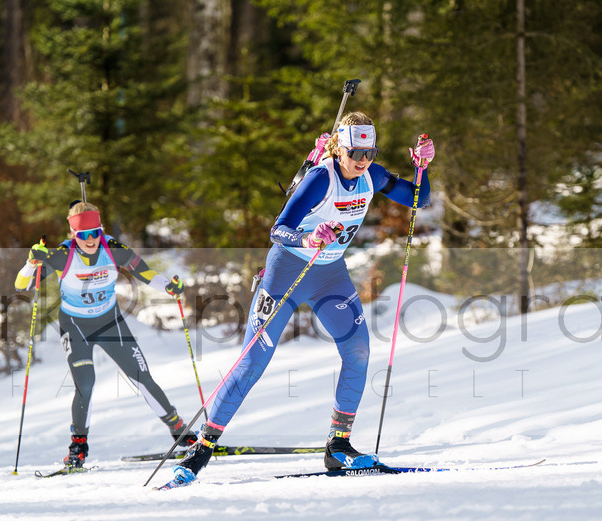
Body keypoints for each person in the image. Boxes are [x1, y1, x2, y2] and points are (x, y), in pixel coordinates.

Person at [157, 112, 434, 489]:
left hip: (330, 273)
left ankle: (338, 446)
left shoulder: (373, 175)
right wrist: (309, 238)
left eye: (370, 151)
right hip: (287, 272)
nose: (363, 160)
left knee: (358, 350)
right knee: (254, 360)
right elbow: (279, 229)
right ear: (339, 148)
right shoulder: (322, 178)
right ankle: (201, 449)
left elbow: (420, 197)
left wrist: (422, 167)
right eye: (355, 151)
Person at [15, 201, 194, 468]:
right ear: (74, 236)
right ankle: (78, 447)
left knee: (142, 377)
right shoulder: (62, 256)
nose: (90, 240)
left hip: (110, 322)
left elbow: (144, 272)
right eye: (83, 235)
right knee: (85, 383)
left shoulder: (115, 251)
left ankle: (181, 433)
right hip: (76, 326)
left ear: (101, 230)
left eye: (95, 233)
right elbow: (23, 284)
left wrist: (168, 286)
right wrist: (31, 263)